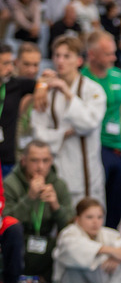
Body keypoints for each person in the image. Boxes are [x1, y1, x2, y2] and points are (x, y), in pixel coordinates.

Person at [30, 35, 107, 206]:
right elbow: (38, 133)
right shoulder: (46, 92)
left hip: (87, 173)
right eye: (57, 55)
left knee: (89, 224)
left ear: (79, 60)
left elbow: (88, 123)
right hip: (58, 169)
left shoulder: (93, 90)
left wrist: (67, 92)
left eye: (66, 56)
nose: (60, 61)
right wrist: (62, 134)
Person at [3, 139, 74, 283]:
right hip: (18, 244)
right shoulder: (9, 184)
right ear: (24, 161)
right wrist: (29, 198)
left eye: (45, 161)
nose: (40, 166)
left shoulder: (59, 185)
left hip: (46, 244)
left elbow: (71, 227)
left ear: (51, 161)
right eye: (34, 161)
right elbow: (5, 223)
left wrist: (56, 207)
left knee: (70, 243)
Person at [81, 32, 121, 230]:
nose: (114, 58)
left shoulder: (117, 74)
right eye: (108, 54)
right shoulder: (82, 78)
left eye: (114, 53)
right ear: (92, 54)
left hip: (118, 148)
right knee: (96, 199)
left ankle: (111, 236)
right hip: (97, 146)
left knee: (117, 202)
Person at [0, 43, 38, 177]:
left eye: (11, 63)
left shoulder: (16, 84)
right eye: (5, 63)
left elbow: (42, 83)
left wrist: (43, 88)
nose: (10, 68)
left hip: (8, 161)